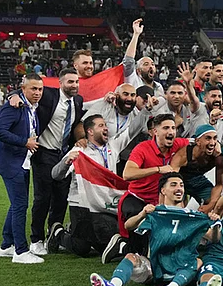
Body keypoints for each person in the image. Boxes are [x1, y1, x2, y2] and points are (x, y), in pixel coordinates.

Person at [90, 172, 221, 286]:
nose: (179, 188)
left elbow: (214, 239)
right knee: (131, 257)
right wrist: (142, 214)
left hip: (181, 267)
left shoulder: (192, 216)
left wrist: (215, 226)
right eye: (174, 185)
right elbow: (128, 225)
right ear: (163, 190)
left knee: (198, 262)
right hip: (155, 268)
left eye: (181, 185)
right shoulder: (156, 212)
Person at [49, 107, 152, 257]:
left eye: (105, 125)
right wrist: (67, 162)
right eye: (101, 125)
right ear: (90, 131)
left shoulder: (113, 145)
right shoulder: (79, 151)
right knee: (82, 249)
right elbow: (55, 175)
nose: (106, 128)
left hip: (105, 202)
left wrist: (145, 111)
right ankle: (59, 233)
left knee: (107, 239)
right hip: (81, 204)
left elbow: (131, 131)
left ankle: (77, 230)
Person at [106, 114, 189, 263]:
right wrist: (158, 169)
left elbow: (197, 142)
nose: (171, 131)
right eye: (166, 128)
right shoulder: (143, 148)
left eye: (173, 128)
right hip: (137, 198)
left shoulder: (178, 144)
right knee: (140, 252)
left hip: (161, 201)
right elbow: (127, 174)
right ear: (154, 131)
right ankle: (121, 246)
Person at [24, 68, 86, 254]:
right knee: (43, 198)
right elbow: (26, 90)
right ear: (60, 83)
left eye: (76, 82)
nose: (74, 85)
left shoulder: (78, 100)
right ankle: (36, 239)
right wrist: (14, 96)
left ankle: (54, 234)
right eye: (70, 82)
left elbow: (76, 123)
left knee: (61, 198)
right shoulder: (48, 95)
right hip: (44, 153)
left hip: (65, 154)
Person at [0, 74, 44, 264]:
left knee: (17, 205)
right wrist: (24, 142)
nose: (37, 93)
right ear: (23, 89)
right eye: (33, 89)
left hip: (22, 162)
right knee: (21, 205)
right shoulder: (14, 106)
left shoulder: (30, 105)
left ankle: (6, 246)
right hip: (11, 163)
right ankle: (21, 251)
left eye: (40, 89)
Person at [171, 124, 223, 212]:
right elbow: (171, 179)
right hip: (180, 181)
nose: (212, 143)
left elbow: (219, 184)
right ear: (198, 141)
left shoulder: (218, 157)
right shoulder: (183, 155)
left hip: (198, 180)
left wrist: (211, 205)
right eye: (208, 138)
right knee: (177, 209)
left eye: (215, 138)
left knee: (219, 205)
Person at [122, 18, 164, 97]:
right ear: (138, 71)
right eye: (146, 64)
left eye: (152, 64)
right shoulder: (133, 80)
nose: (151, 66)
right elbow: (128, 61)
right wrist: (136, 35)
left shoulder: (159, 87)